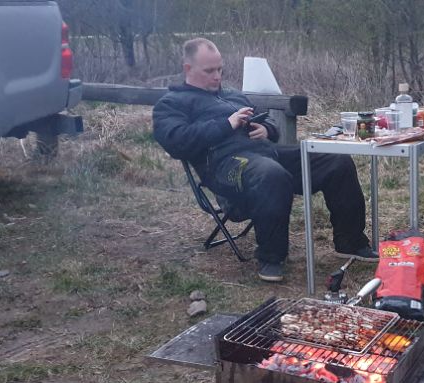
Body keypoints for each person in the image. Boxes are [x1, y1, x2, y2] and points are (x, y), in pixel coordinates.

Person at [153, 38, 377, 282]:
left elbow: (267, 122)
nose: (217, 76)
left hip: (268, 153)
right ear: (188, 69)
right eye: (209, 71)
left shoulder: (233, 96)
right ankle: (271, 257)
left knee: (336, 161)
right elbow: (176, 141)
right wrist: (227, 124)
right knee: (271, 174)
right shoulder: (172, 103)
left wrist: (267, 129)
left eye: (220, 69)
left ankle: (350, 242)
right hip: (225, 166)